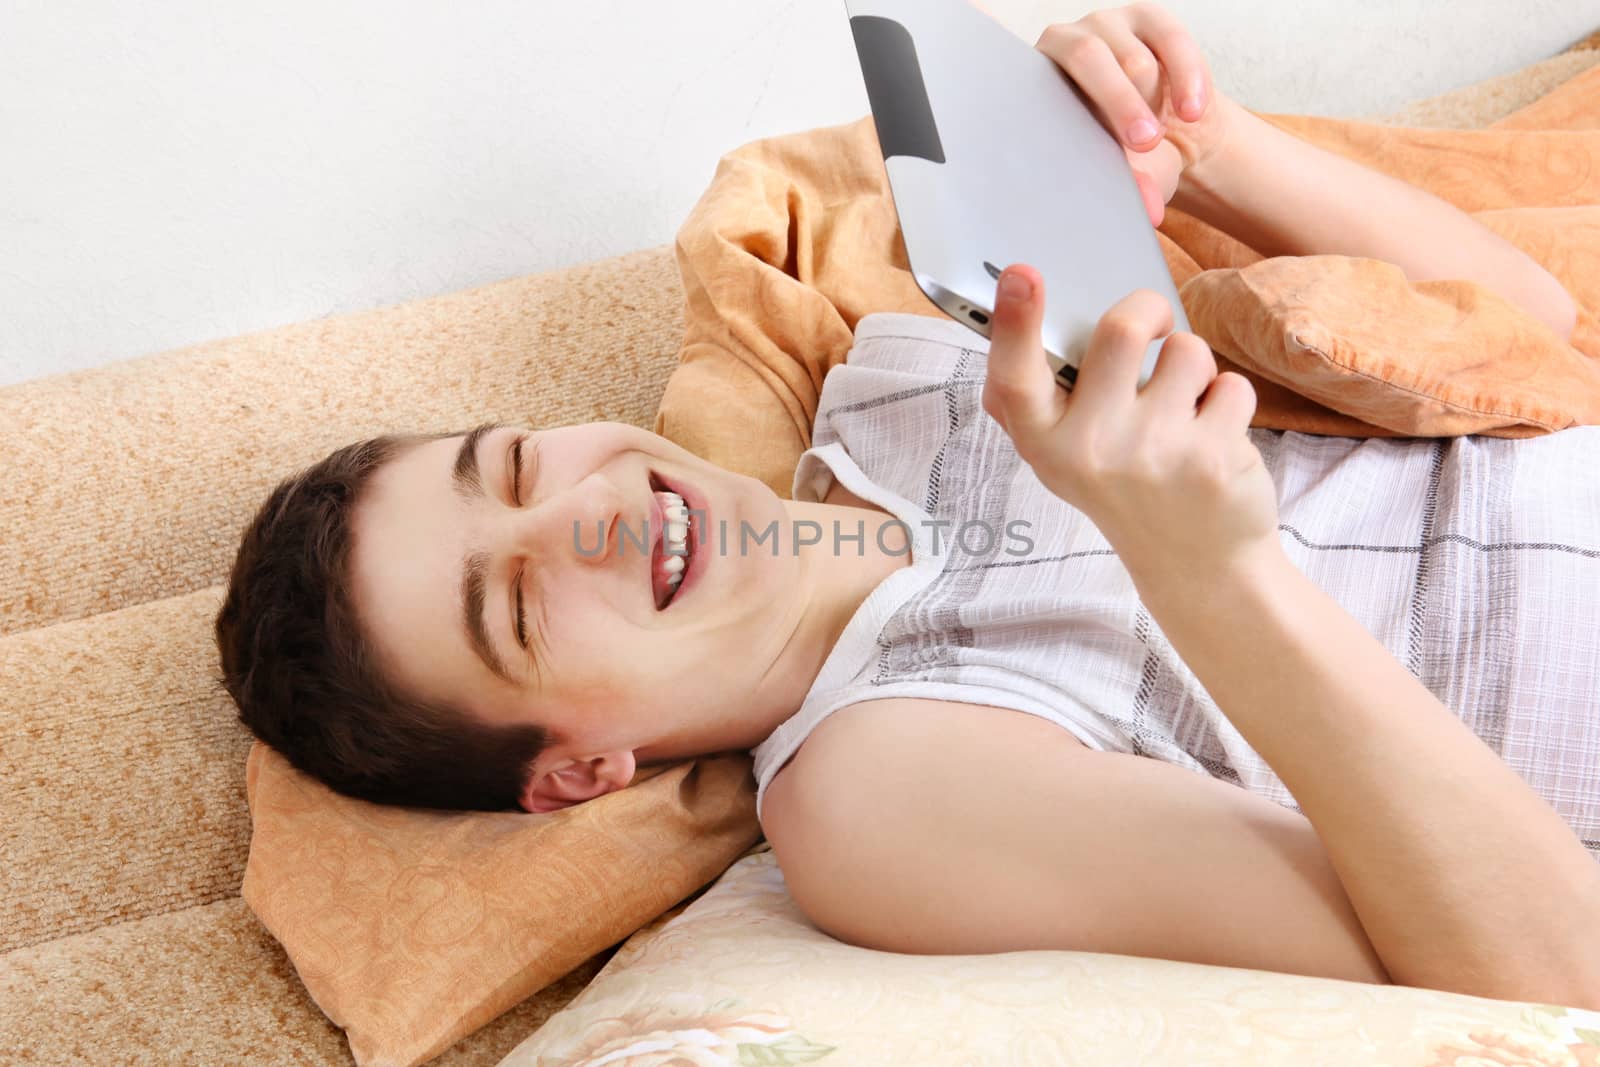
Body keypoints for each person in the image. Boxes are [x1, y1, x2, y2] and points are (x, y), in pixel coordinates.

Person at [214, 3, 1600, 1008]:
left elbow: (1529, 340)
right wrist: (1212, 574)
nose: (592, 521)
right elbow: (1550, 970)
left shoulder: (908, 361)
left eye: (518, 467)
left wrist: (1209, 150)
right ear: (581, 771)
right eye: (515, 604)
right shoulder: (878, 796)